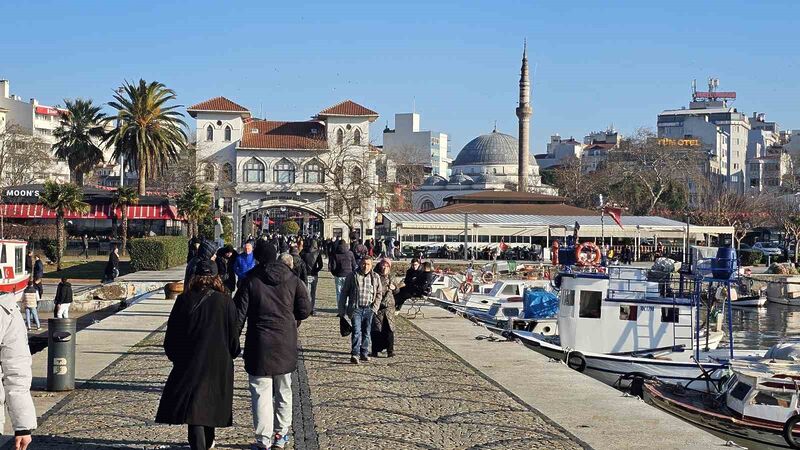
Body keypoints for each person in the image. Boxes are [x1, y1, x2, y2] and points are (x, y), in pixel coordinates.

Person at [234, 241, 311, 450]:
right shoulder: (292, 279)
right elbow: (305, 309)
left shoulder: (250, 280)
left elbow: (238, 316)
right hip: (285, 342)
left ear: (257, 258)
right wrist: (289, 316)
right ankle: (281, 434)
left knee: (261, 394)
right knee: (284, 391)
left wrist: (232, 342)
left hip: (259, 343)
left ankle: (263, 439)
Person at [156, 260, 241, 450]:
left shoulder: (184, 300)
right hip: (218, 363)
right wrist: (233, 353)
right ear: (216, 277)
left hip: (190, 361)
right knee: (208, 407)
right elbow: (233, 337)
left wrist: (177, 358)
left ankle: (201, 445)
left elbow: (172, 336)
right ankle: (206, 444)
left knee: (194, 412)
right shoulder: (226, 301)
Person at [0, 289, 37, 449]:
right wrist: (23, 427)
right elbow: (16, 372)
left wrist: (23, 426)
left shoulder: (5, 311)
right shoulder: (5, 310)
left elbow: (16, 371)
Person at [339, 257, 381, 364]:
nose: (365, 266)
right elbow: (344, 292)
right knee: (357, 332)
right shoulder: (352, 276)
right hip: (355, 308)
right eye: (363, 264)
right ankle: (355, 354)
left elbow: (379, 293)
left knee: (366, 332)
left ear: (371, 265)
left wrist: (374, 308)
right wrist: (341, 309)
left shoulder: (375, 277)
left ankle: (364, 352)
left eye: (368, 264)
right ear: (360, 264)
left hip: (369, 308)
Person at [371, 259, 397, 358]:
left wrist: (394, 288)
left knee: (390, 329)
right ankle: (375, 350)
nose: (384, 268)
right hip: (378, 305)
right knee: (376, 329)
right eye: (383, 265)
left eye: (386, 266)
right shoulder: (375, 275)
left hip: (389, 306)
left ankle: (390, 350)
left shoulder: (392, 276)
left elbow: (397, 290)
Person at [329, 239, 356, 311]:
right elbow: (354, 265)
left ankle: (340, 308)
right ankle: (347, 307)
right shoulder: (350, 253)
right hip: (349, 275)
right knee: (349, 292)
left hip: (338, 275)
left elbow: (333, 266)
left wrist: (334, 273)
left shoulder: (335, 254)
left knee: (339, 293)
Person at [301, 241, 324, 314]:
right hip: (314, 274)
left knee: (306, 292)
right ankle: (312, 308)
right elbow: (321, 265)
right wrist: (316, 270)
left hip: (306, 274)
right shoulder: (317, 253)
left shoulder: (303, 252)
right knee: (313, 293)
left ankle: (306, 308)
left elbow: (301, 263)